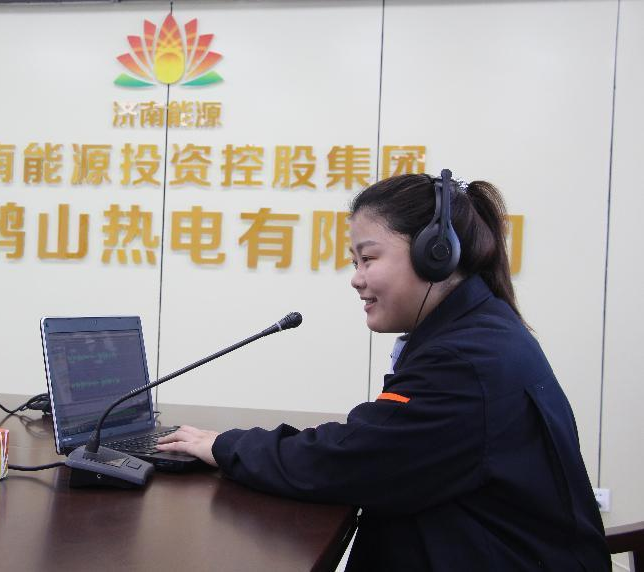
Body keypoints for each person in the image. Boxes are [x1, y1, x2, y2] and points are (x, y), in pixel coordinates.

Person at [156, 171, 610, 571]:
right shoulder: (479, 329)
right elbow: (380, 444)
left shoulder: (464, 361)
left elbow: (350, 461)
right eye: (354, 262)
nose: (356, 278)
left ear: (436, 255)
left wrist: (224, 445)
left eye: (368, 259)